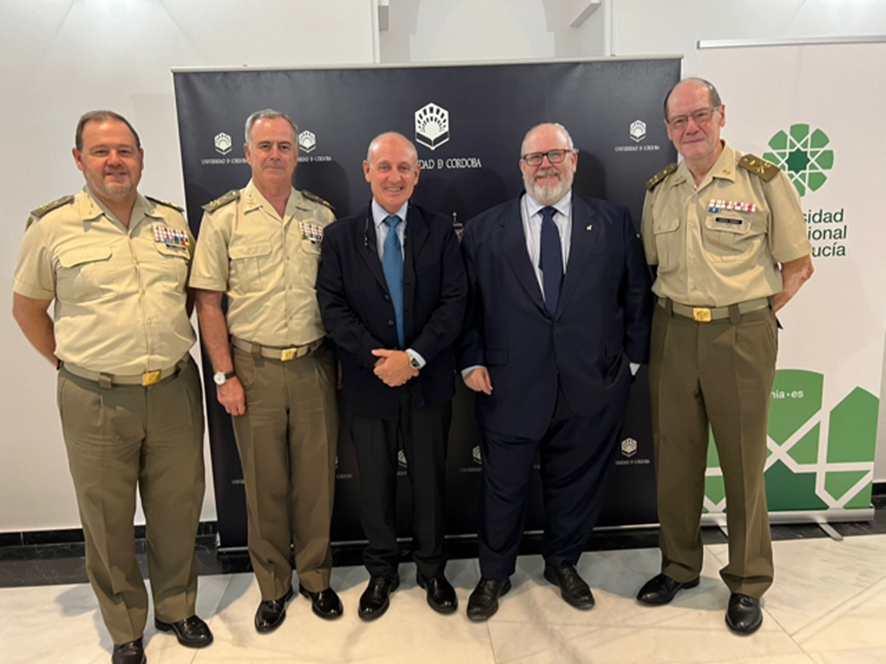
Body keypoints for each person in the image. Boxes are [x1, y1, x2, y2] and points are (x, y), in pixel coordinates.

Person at [12, 110, 212, 664]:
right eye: (101, 152)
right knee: (106, 517)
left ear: (142, 158)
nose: (115, 161)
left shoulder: (173, 223)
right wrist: (71, 363)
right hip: (94, 397)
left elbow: (191, 297)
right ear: (80, 159)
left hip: (172, 389)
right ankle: (125, 625)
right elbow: (27, 308)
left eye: (125, 150)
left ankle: (176, 606)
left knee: (178, 507)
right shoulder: (52, 228)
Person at [636, 78, 814, 635]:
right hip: (672, 332)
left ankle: (747, 581)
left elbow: (798, 265)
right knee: (676, 462)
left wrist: (750, 314)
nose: (690, 128)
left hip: (740, 335)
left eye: (700, 115)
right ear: (667, 130)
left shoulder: (761, 181)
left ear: (721, 116)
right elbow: (650, 267)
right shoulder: (659, 189)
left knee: (742, 464)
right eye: (678, 121)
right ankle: (680, 566)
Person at [458, 122, 652, 621]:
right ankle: (494, 574)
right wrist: (471, 358)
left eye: (555, 155)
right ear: (520, 166)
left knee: (576, 485)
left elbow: (635, 297)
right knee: (502, 490)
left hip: (592, 384)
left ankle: (563, 563)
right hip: (508, 384)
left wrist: (630, 363)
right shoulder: (484, 229)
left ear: (574, 159)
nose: (545, 165)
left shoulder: (611, 222)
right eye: (534, 157)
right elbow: (467, 306)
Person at [189, 109, 341, 631]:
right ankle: (273, 587)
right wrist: (224, 375)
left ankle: (317, 578)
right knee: (265, 485)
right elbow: (208, 301)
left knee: (317, 483)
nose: (275, 154)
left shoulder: (321, 216)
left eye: (284, 146)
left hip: (314, 365)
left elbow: (339, 297)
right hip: (251, 369)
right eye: (265, 146)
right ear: (247, 153)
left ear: (297, 154)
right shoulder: (224, 217)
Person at [317, 132, 467, 620]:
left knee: (428, 480)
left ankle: (431, 569)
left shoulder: (440, 230)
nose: (394, 177)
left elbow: (454, 303)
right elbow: (332, 308)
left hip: (427, 380)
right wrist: (379, 360)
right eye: (384, 167)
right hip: (369, 380)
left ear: (417, 174)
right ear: (367, 171)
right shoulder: (340, 236)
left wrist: (416, 358)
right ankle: (381, 571)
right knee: (374, 483)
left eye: (404, 168)